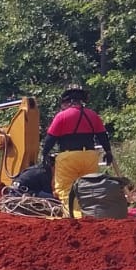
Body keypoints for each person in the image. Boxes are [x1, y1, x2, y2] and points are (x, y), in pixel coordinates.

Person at [40, 85, 114, 215]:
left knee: (66, 190)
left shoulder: (62, 116)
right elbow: (103, 136)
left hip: (69, 157)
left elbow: (50, 139)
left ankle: (74, 218)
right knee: (90, 188)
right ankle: (93, 216)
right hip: (90, 156)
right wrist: (108, 152)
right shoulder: (93, 115)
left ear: (68, 102)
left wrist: (44, 154)